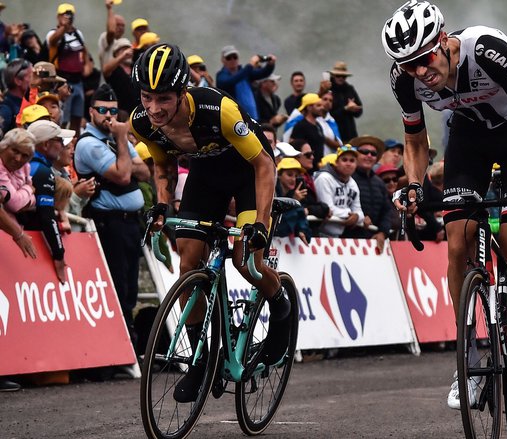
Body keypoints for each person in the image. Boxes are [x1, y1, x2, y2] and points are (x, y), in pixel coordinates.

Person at [381, 0, 507, 410]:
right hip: (467, 141)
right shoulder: (403, 80)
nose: (420, 71)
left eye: (424, 58)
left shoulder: (486, 50)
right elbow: (413, 140)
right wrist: (413, 184)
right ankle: (469, 358)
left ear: (444, 42)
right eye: (408, 65)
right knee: (457, 243)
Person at [129, 43, 291, 402]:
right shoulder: (141, 122)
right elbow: (164, 166)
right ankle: (203, 360)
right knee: (188, 262)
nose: (154, 108)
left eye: (164, 99)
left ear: (182, 92)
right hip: (206, 176)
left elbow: (265, 166)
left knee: (246, 260)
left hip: (248, 173)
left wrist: (260, 224)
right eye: (146, 97)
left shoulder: (218, 110)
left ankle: (280, 307)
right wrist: (162, 205)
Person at [74, 84, 149, 334]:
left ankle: (128, 340)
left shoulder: (112, 137)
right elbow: (124, 175)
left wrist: (122, 150)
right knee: (117, 285)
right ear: (91, 111)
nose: (109, 116)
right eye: (103, 110)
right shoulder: (90, 143)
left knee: (130, 287)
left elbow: (145, 171)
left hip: (130, 223)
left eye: (114, 112)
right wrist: (121, 139)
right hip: (109, 223)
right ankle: (120, 343)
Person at [23, 121, 75, 283]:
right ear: (46, 144)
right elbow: (47, 217)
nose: (62, 145)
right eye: (59, 141)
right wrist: (59, 254)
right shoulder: (43, 172)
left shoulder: (26, 164)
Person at [46, 3, 87, 135]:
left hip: (78, 81)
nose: (67, 17)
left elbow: (84, 52)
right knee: (62, 116)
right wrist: (63, 27)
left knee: (77, 116)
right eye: (64, 14)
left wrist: (86, 67)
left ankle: (74, 144)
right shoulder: (53, 33)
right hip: (63, 81)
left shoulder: (78, 34)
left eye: (69, 15)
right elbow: (52, 41)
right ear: (58, 17)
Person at [348, 135, 391, 250]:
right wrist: (359, 218)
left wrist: (383, 233)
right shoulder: (346, 178)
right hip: (347, 241)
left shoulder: (380, 183)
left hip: (373, 243)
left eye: (373, 153)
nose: (369, 156)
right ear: (356, 155)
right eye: (364, 152)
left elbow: (387, 211)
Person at [314, 145, 364, 237]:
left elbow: (359, 211)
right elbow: (328, 209)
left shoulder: (353, 184)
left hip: (337, 236)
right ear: (336, 162)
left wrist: (357, 217)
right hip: (318, 234)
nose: (348, 164)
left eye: (352, 161)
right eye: (344, 160)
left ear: (356, 165)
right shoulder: (324, 178)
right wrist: (351, 215)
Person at [215, 45, 276, 120]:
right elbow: (231, 81)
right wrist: (250, 65)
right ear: (223, 60)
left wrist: (270, 65)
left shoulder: (245, 73)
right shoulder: (221, 76)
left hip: (253, 117)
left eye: (235, 57)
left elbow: (263, 73)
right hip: (234, 118)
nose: (232, 60)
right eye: (229, 58)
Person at [102, 37, 138, 116]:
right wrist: (122, 56)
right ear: (116, 53)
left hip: (137, 111)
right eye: (123, 49)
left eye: (128, 49)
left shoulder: (135, 67)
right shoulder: (114, 70)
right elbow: (105, 70)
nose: (128, 52)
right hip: (121, 113)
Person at [290, 93, 326, 164]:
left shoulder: (318, 125)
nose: (322, 108)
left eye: (322, 105)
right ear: (309, 107)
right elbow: (293, 147)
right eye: (318, 105)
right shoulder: (301, 126)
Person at [1, 59, 32, 134]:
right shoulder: (6, 109)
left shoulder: (28, 100)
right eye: (31, 76)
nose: (34, 80)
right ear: (18, 81)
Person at [97, 0, 125, 69]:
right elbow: (111, 31)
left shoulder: (124, 42)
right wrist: (109, 8)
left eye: (122, 25)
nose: (120, 28)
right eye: (117, 25)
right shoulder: (105, 38)